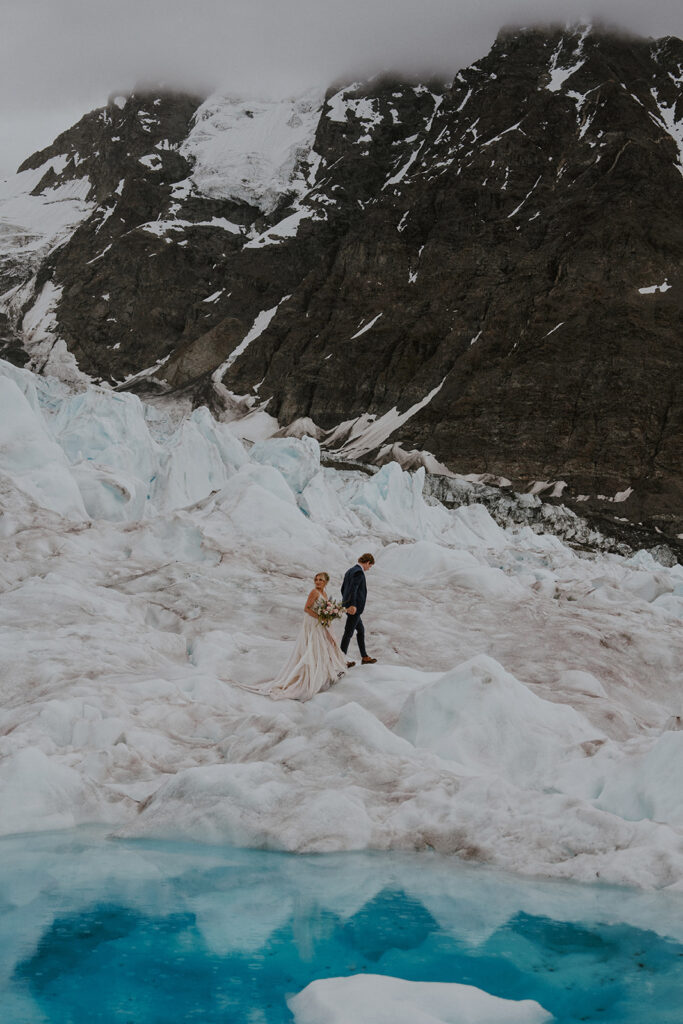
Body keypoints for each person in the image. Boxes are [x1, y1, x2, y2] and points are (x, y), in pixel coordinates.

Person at [265, 572, 347, 701]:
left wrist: (327, 616)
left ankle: (322, 675)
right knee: (313, 648)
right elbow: (307, 608)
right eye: (316, 579)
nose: (318, 581)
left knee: (323, 647)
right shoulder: (314, 592)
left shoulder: (324, 594)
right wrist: (321, 617)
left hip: (320, 623)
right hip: (312, 623)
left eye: (320, 580)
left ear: (326, 582)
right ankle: (309, 678)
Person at [341, 553, 377, 666]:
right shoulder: (358, 572)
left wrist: (346, 604)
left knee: (361, 631)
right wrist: (352, 605)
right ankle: (340, 660)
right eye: (370, 566)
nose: (369, 568)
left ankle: (364, 656)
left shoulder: (350, 571)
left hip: (350, 607)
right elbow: (353, 589)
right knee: (348, 633)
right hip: (354, 608)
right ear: (367, 562)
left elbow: (343, 589)